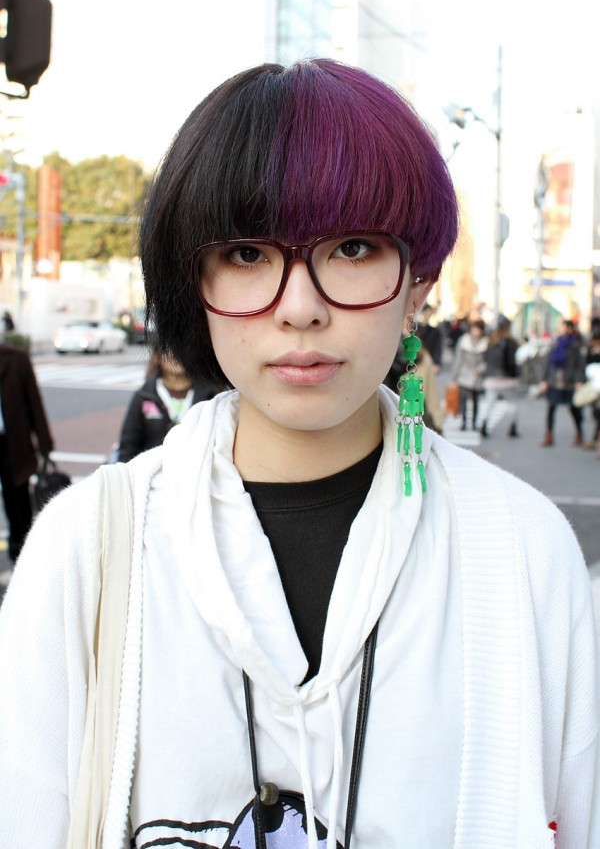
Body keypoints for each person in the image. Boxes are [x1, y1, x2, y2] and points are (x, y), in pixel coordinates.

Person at [0, 60, 597, 849]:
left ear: (418, 281)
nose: (302, 307)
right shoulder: (86, 552)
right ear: (195, 275)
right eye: (248, 253)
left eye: (351, 247)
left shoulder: (523, 550)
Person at [0, 343, 54, 588]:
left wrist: (44, 446)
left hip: (13, 445)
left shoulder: (16, 360)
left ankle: (20, 565)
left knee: (18, 507)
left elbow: (34, 403)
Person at [117, 351, 218, 462]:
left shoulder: (212, 395)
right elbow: (128, 447)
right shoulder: (144, 395)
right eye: (169, 350)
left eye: (181, 349)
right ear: (156, 356)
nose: (176, 355)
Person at [539, 318, 586, 447]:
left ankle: (579, 433)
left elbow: (579, 365)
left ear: (570, 329)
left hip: (569, 382)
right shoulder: (556, 343)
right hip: (555, 381)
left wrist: (579, 381)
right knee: (551, 408)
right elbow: (547, 363)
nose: (560, 329)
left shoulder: (575, 345)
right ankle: (549, 435)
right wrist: (544, 380)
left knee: (573, 409)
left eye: (563, 326)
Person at [479, 314, 521, 438]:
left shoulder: (491, 341)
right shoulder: (511, 342)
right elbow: (512, 362)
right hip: (507, 378)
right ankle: (513, 427)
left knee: (489, 402)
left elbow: (486, 359)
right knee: (512, 403)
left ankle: (484, 425)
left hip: (491, 377)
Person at [449, 318, 488, 431]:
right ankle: (464, 422)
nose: (476, 331)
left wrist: (481, 369)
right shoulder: (464, 341)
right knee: (464, 400)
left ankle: (474, 422)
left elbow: (487, 360)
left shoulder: (486, 342)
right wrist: (454, 376)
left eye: (478, 329)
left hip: (478, 376)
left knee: (476, 401)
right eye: (474, 329)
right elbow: (458, 359)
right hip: (464, 374)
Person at [417, 302, 443, 371]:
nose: (428, 315)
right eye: (426, 313)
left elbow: (437, 347)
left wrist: (436, 362)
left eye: (429, 313)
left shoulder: (434, 331)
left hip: (428, 361)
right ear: (423, 313)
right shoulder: (415, 329)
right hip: (415, 361)